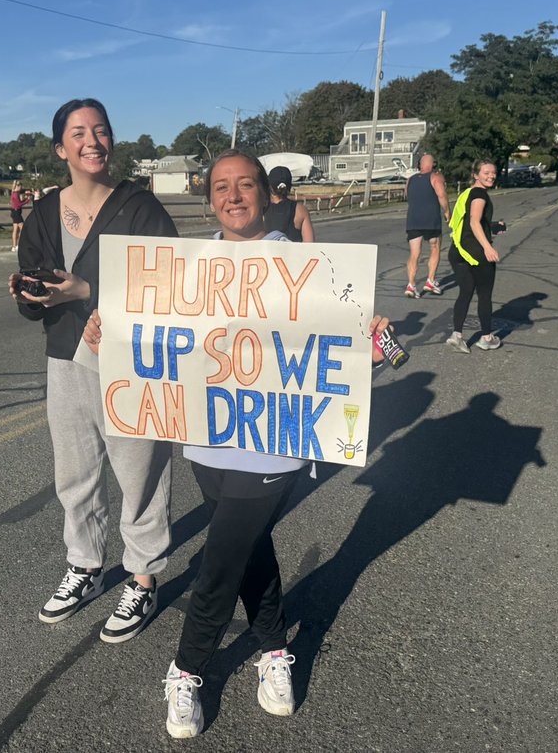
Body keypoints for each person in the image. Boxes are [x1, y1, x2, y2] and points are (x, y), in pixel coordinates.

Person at [82, 149, 391, 738]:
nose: (233, 195)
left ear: (266, 195)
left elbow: (345, 359)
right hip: (205, 443)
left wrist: (374, 347)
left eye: (245, 183)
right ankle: (274, 648)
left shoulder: (305, 268)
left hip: (274, 447)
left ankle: (186, 669)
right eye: (221, 187)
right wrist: (110, 335)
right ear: (210, 200)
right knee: (250, 550)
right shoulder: (188, 267)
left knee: (219, 565)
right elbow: (158, 344)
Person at [9, 98, 178, 642]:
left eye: (101, 130)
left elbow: (173, 286)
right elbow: (34, 294)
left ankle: (143, 576)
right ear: (61, 148)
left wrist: (90, 290)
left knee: (139, 471)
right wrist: (29, 294)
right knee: (75, 474)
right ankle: (84, 565)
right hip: (66, 357)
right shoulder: (42, 212)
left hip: (133, 360)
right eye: (79, 133)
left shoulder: (140, 207)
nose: (92, 140)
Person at [446, 159, 503, 352]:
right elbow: (474, 222)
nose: (491, 176)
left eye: (493, 173)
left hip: (458, 251)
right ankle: (486, 337)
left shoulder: (467, 193)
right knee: (484, 295)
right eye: (486, 172)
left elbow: (467, 221)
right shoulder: (480, 194)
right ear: (476, 174)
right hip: (477, 252)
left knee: (465, 292)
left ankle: (457, 335)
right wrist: (487, 247)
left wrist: (494, 227)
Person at [403, 153, 450, 297]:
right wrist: (447, 211)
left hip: (413, 219)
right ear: (433, 164)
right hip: (431, 219)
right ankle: (430, 280)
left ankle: (411, 285)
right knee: (435, 247)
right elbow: (441, 194)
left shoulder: (410, 180)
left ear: (420, 165)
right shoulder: (435, 177)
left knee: (414, 253)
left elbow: (407, 196)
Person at [261, 166, 314, 242]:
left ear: (269, 186)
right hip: (293, 253)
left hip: (267, 253)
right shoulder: (300, 210)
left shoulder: (260, 209)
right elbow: (310, 245)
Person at [9, 180, 29, 252]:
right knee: (23, 229)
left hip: (15, 212)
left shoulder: (14, 193)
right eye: (20, 186)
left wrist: (24, 199)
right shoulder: (15, 194)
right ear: (17, 186)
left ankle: (14, 246)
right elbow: (19, 204)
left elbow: (18, 202)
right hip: (16, 212)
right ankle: (21, 244)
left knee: (15, 229)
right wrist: (27, 200)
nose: (21, 188)